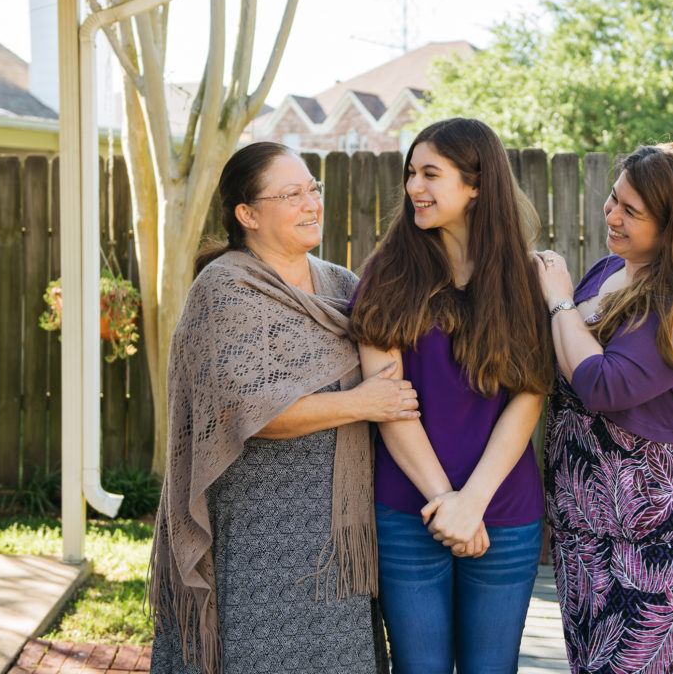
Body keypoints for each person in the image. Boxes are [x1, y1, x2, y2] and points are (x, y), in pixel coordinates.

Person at [148, 142, 420, 674]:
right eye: (291, 193)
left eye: (313, 189)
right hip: (259, 530)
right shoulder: (224, 289)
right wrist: (361, 403)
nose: (311, 202)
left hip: (340, 532)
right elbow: (245, 411)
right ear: (247, 214)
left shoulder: (342, 285)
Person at [348, 117, 554, 673]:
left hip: (504, 512)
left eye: (431, 174)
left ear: (477, 185)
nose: (414, 186)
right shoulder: (386, 275)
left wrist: (474, 502)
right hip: (406, 511)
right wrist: (447, 504)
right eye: (411, 173)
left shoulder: (526, 281)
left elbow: (529, 395)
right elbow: (387, 401)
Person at [534, 142, 673, 674]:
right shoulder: (609, 270)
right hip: (585, 526)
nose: (612, 215)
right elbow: (557, 361)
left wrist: (560, 300)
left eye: (632, 211)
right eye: (613, 198)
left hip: (658, 536)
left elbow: (603, 386)